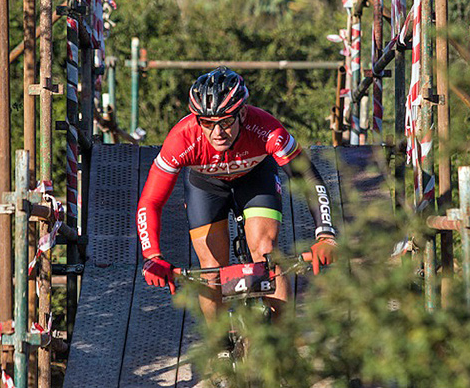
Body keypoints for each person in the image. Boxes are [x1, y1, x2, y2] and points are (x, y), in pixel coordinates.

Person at [136, 66, 337, 321]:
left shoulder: (266, 129)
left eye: (226, 122)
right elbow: (150, 201)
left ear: (242, 112)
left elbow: (308, 178)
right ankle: (218, 345)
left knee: (266, 252)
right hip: (206, 186)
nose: (216, 132)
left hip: (255, 179)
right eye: (207, 123)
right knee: (211, 268)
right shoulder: (182, 139)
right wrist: (152, 256)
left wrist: (326, 234)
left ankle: (282, 343)